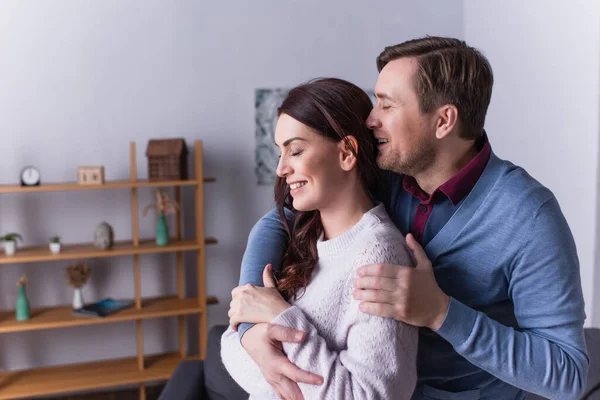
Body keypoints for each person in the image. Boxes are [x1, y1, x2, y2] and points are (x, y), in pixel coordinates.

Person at [233, 37, 589, 400]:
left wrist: (441, 313)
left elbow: (568, 374)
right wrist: (250, 326)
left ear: (443, 121)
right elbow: (281, 218)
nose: (370, 119)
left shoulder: (529, 216)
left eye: (386, 105)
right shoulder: (385, 174)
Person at [220, 77, 419, 399]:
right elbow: (229, 348)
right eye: (280, 153)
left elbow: (372, 395)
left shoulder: (378, 255)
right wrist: (253, 340)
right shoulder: (299, 237)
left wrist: (279, 318)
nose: (282, 169)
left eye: (296, 150)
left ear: (347, 152)